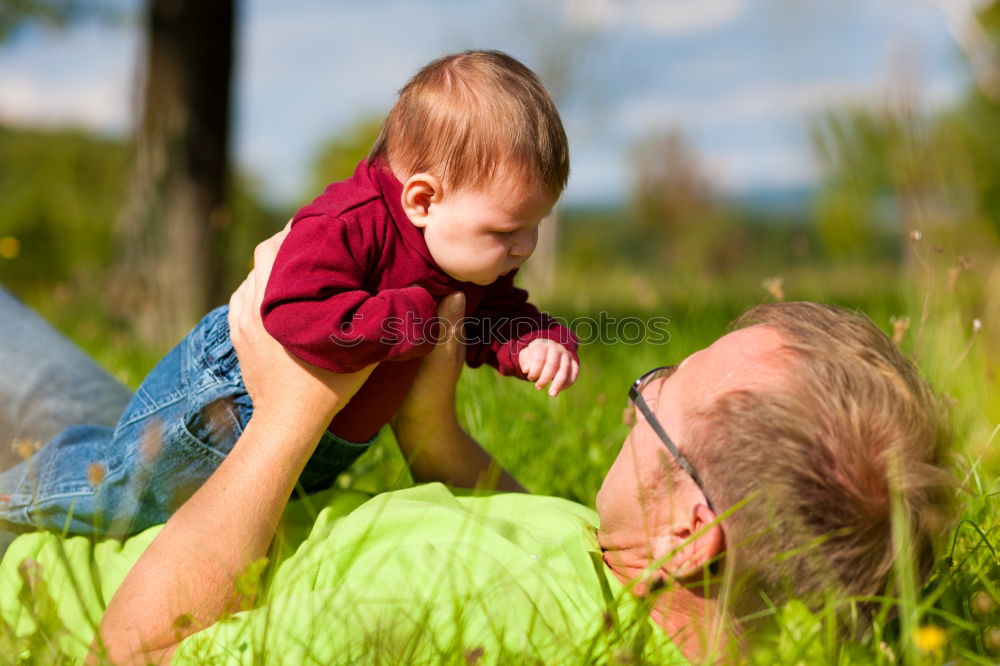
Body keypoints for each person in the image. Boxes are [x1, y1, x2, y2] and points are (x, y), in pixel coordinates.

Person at [0, 229, 954, 664]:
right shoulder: (699, 618)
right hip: (185, 489)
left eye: (655, 395)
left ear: (693, 531)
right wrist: (436, 436)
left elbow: (132, 650)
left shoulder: (441, 608)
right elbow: (540, 539)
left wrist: (294, 407)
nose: (631, 407)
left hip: (58, 555)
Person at [0, 50, 580, 538]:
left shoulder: (468, 258)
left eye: (535, 227)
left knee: (216, 522)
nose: (524, 247)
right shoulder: (347, 224)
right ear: (423, 201)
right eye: (507, 231)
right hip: (225, 407)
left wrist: (534, 341)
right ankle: (15, 491)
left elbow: (496, 317)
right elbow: (293, 311)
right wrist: (408, 320)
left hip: (322, 441)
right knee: (118, 495)